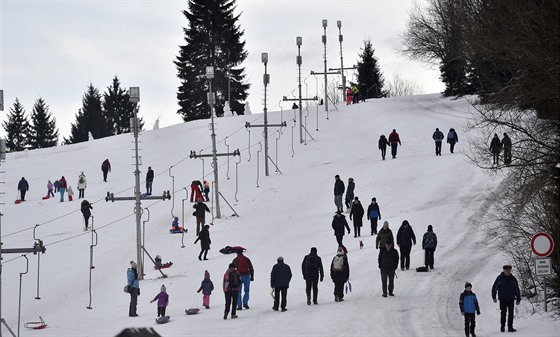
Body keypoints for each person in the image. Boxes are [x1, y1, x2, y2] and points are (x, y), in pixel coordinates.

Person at [491, 265, 521, 333]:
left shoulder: (513, 279)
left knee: (511, 313)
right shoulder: (499, 278)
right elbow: (494, 288)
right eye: (506, 270)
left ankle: (510, 327)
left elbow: (517, 289)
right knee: (503, 313)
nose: (508, 272)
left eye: (509, 271)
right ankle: (502, 327)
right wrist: (494, 297)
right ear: (503, 270)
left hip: (511, 298)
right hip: (502, 299)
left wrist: (518, 298)